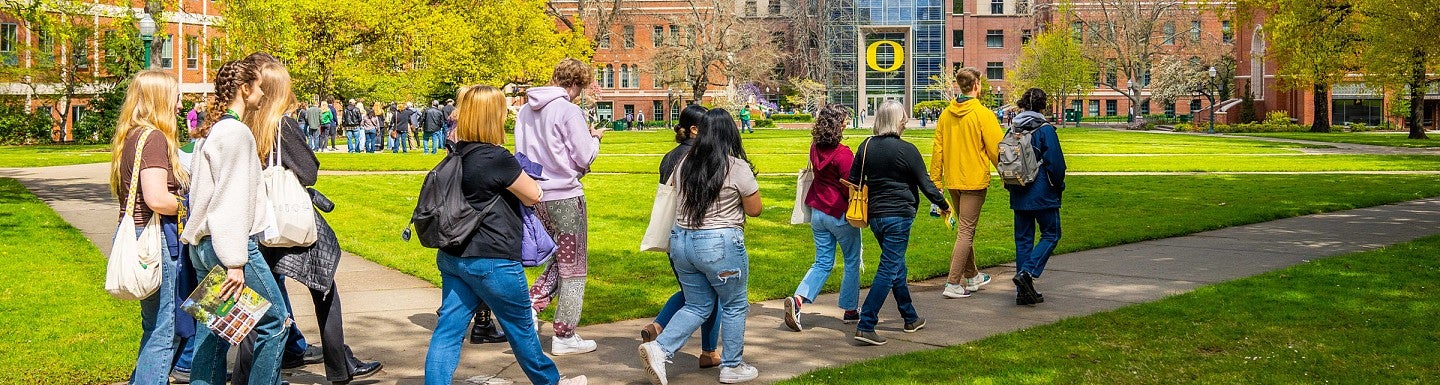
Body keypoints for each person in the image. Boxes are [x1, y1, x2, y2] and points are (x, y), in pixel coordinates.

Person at [225, 53, 383, 384]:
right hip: (285, 220)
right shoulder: (281, 124)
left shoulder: (242, 125)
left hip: (255, 223)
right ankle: (339, 368)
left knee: (256, 301)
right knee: (324, 287)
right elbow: (309, 171)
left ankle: (247, 373)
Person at [425, 84, 588, 385]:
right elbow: (534, 194)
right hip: (493, 260)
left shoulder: (454, 154)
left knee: (448, 330)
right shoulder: (496, 158)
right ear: (492, 116)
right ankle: (550, 382)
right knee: (521, 329)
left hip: (453, 255)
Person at [180, 58, 290, 385]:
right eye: (259, 87)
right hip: (229, 247)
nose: (263, 94)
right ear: (245, 89)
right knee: (275, 322)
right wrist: (235, 261)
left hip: (202, 245)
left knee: (213, 334)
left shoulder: (211, 132)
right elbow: (230, 202)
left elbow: (200, 195)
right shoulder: (238, 134)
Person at [638, 108, 762, 385]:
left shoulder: (684, 164)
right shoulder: (736, 167)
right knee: (734, 305)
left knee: (697, 304)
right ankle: (731, 366)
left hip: (682, 241)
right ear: (731, 133)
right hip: (719, 244)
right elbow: (755, 209)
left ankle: (660, 348)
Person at [515, 58, 605, 356]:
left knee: (559, 256)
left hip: (535, 193)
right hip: (565, 195)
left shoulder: (526, 110)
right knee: (574, 265)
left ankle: (532, 302)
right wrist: (595, 141)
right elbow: (583, 156)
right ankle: (565, 333)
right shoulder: (568, 110)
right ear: (576, 84)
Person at [108, 69, 189, 385]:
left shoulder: (132, 135)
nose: (180, 106)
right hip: (153, 238)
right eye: (176, 98)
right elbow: (156, 198)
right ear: (160, 100)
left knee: (155, 324)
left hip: (139, 235)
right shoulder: (153, 138)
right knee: (163, 329)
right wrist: (187, 206)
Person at [850, 100, 951, 346]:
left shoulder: (866, 146)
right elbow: (926, 184)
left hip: (875, 216)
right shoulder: (908, 150)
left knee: (896, 266)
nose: (906, 121)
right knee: (888, 268)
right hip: (899, 215)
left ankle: (910, 316)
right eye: (904, 117)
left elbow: (853, 180)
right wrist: (944, 204)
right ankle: (866, 324)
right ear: (898, 121)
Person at [638, 105, 721, 369]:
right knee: (710, 297)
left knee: (691, 291)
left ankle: (659, 324)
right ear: (695, 129)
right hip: (699, 234)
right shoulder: (699, 158)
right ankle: (708, 351)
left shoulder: (669, 157)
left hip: (674, 237)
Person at [782, 103, 861, 331]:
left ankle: (799, 299)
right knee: (852, 260)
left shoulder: (814, 147)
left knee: (823, 262)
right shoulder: (844, 154)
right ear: (838, 124)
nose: (847, 123)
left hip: (818, 212)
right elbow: (851, 187)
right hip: (839, 214)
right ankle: (850, 308)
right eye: (844, 119)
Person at [930, 67, 1003, 299]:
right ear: (976, 85)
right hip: (973, 181)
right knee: (966, 231)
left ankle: (972, 276)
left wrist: (936, 182)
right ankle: (952, 283)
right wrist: (1009, 175)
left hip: (953, 180)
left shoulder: (945, 115)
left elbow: (937, 151)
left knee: (964, 229)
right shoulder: (983, 114)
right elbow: (997, 150)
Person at [1005, 88, 1067, 306]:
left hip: (1018, 190)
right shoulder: (1045, 130)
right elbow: (1056, 164)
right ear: (1043, 106)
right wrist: (1059, 186)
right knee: (1051, 234)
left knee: (1023, 240)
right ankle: (1027, 273)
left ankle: (1023, 292)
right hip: (1043, 192)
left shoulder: (1012, 129)